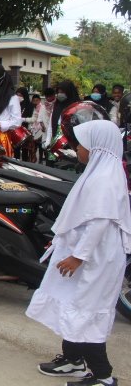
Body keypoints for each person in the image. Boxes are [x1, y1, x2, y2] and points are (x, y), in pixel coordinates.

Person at [26, 120, 130, 386]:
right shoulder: (100, 172)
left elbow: (99, 222)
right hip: (88, 256)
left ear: (97, 146)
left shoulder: (105, 179)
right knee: (72, 304)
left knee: (87, 311)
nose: (78, 149)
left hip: (95, 259)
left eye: (82, 144)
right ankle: (73, 359)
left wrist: (78, 256)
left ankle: (103, 377)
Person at [43, 81, 81, 166]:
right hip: (56, 142)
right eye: (58, 92)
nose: (60, 94)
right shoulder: (57, 105)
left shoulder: (77, 107)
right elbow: (51, 125)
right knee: (51, 165)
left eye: (62, 92)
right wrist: (48, 141)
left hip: (71, 144)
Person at [16, 87, 36, 162]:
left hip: (26, 130)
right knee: (16, 149)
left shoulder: (30, 105)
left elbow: (33, 119)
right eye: (17, 95)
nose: (18, 97)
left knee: (25, 150)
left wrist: (23, 119)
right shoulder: (15, 105)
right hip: (16, 130)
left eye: (20, 95)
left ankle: (24, 164)